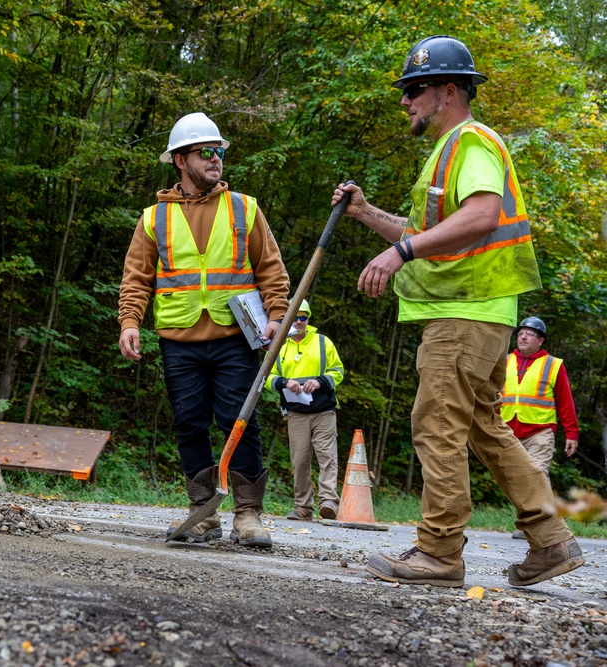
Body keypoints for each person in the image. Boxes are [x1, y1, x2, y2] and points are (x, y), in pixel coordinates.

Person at [332, 35, 584, 587]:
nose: (406, 101)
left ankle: (439, 552)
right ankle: (551, 541)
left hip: (464, 314)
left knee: (436, 422)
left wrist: (399, 253)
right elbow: (431, 233)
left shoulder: (471, 142)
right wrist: (366, 212)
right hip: (484, 312)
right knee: (484, 428)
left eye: (415, 90)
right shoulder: (451, 151)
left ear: (449, 91)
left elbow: (481, 217)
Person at [118, 112, 290, 549]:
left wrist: (276, 315)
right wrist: (129, 322)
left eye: (220, 151)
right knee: (189, 424)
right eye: (206, 152)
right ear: (180, 160)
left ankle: (248, 515)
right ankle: (203, 512)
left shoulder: (244, 208)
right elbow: (137, 277)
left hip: (236, 338)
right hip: (179, 341)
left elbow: (271, 268)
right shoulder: (153, 218)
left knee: (241, 423)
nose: (216, 159)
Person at [263, 298, 344, 521]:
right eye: (295, 317)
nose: (298, 321)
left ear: (308, 319)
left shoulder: (322, 342)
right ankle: (303, 507)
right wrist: (284, 382)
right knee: (299, 460)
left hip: (323, 411)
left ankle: (329, 501)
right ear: (288, 319)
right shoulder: (279, 346)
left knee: (326, 455)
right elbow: (267, 377)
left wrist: (319, 381)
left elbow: (338, 371)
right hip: (296, 412)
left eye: (303, 317)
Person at [501, 316, 580, 538]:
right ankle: (529, 524)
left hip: (540, 432)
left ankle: (546, 527)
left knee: (536, 475)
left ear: (541, 340)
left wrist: (571, 433)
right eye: (521, 333)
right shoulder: (505, 360)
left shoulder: (553, 364)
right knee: (517, 479)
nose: (524, 336)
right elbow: (493, 395)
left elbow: (565, 401)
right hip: (508, 431)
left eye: (530, 333)